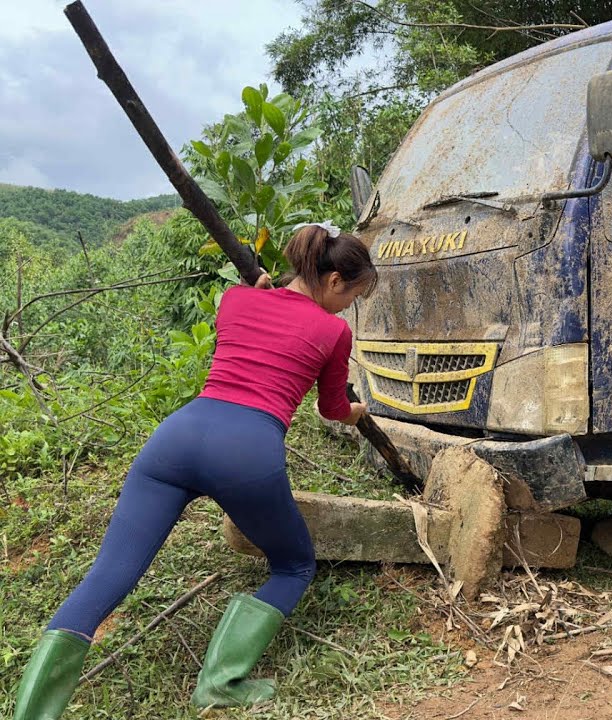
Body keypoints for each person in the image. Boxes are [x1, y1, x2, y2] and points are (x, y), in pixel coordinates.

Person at [10, 223, 375, 718]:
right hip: (248, 453)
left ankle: (31, 714)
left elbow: (259, 323)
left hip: (176, 439)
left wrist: (259, 295)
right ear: (334, 282)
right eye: (352, 294)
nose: (349, 305)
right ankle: (220, 684)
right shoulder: (334, 331)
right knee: (294, 565)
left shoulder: (235, 300)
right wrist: (355, 413)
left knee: (108, 575)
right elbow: (332, 408)